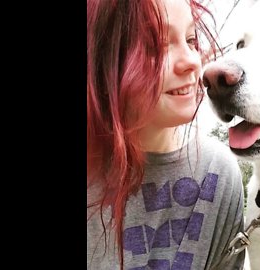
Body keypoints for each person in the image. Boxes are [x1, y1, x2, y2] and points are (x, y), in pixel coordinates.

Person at [87, 0, 245, 269]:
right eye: (154, 45)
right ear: (102, 57)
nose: (191, 62)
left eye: (191, 40)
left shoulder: (217, 173)